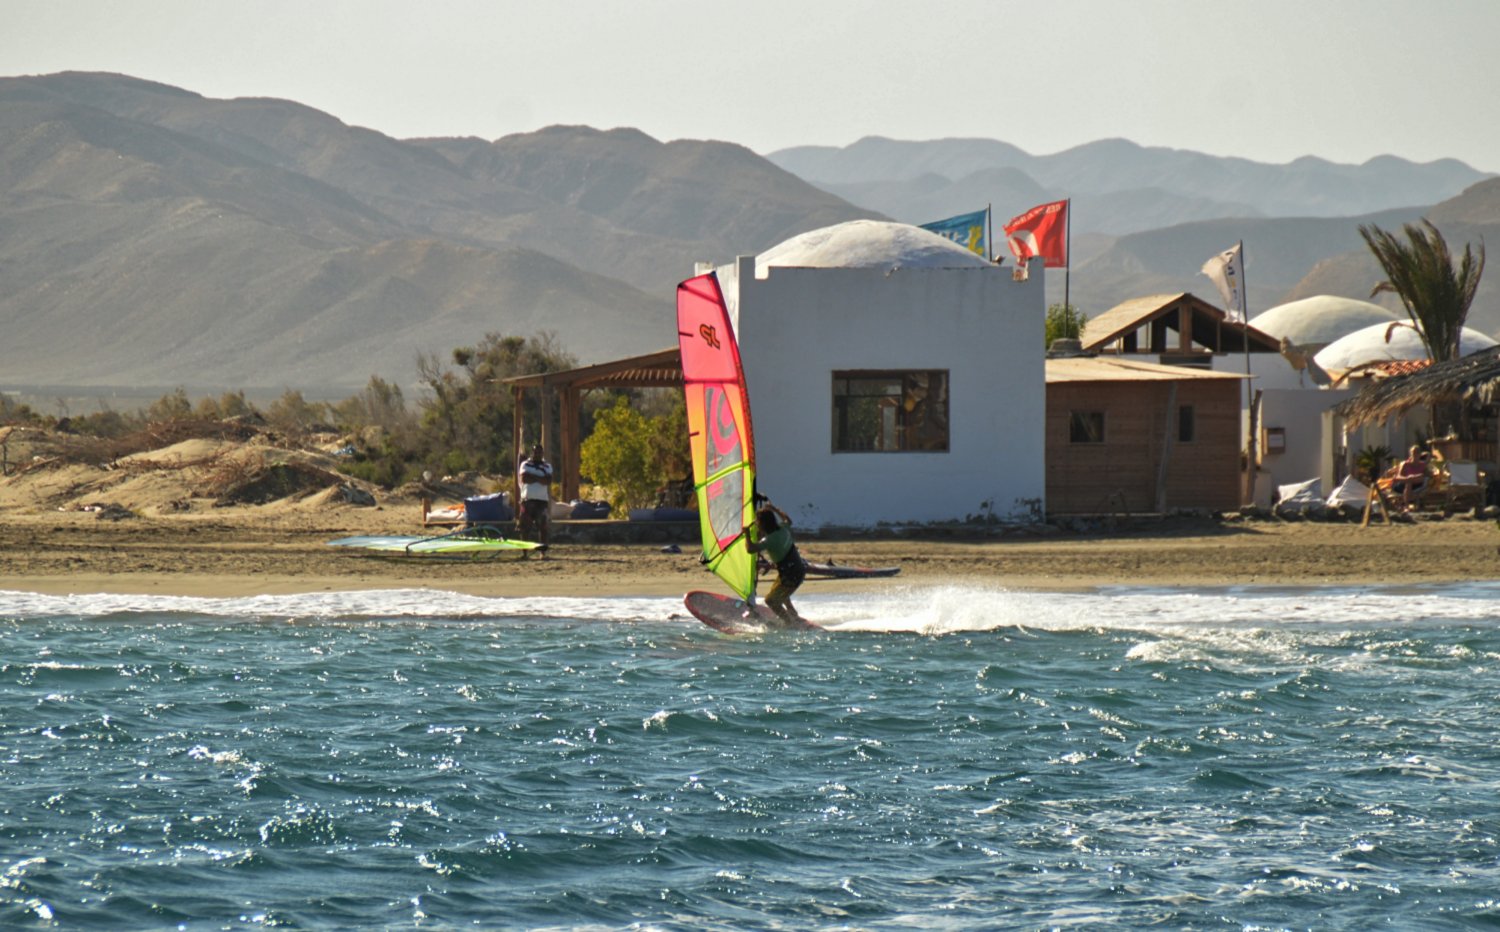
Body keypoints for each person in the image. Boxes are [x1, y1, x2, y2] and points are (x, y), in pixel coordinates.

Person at [745, 501, 806, 627]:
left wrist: (746, 534)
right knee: (780, 592)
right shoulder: (783, 528)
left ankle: (788, 622)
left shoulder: (769, 539)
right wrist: (774, 509)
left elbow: (750, 549)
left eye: (757, 522)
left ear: (762, 524)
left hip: (791, 576)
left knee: (771, 601)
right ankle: (793, 614)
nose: (756, 524)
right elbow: (788, 519)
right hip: (797, 571)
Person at [516, 443, 553, 548]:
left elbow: (548, 481)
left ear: (542, 453)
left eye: (539, 452)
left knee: (543, 527)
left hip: (541, 501)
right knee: (524, 527)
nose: (537, 454)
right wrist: (540, 478)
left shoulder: (547, 466)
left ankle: (542, 551)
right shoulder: (525, 464)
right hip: (527, 500)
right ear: (532, 453)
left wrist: (533, 477)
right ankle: (525, 552)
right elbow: (524, 479)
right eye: (535, 452)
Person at [1384, 444, 1430, 511]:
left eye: (1417, 452)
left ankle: (1407, 505)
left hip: (1417, 484)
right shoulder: (1405, 464)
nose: (1415, 454)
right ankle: (1406, 506)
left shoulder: (1422, 465)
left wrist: (1414, 477)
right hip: (1403, 484)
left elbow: (1425, 475)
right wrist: (1408, 478)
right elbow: (1398, 476)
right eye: (1413, 453)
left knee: (1419, 477)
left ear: (1420, 454)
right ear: (1410, 454)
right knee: (1409, 482)